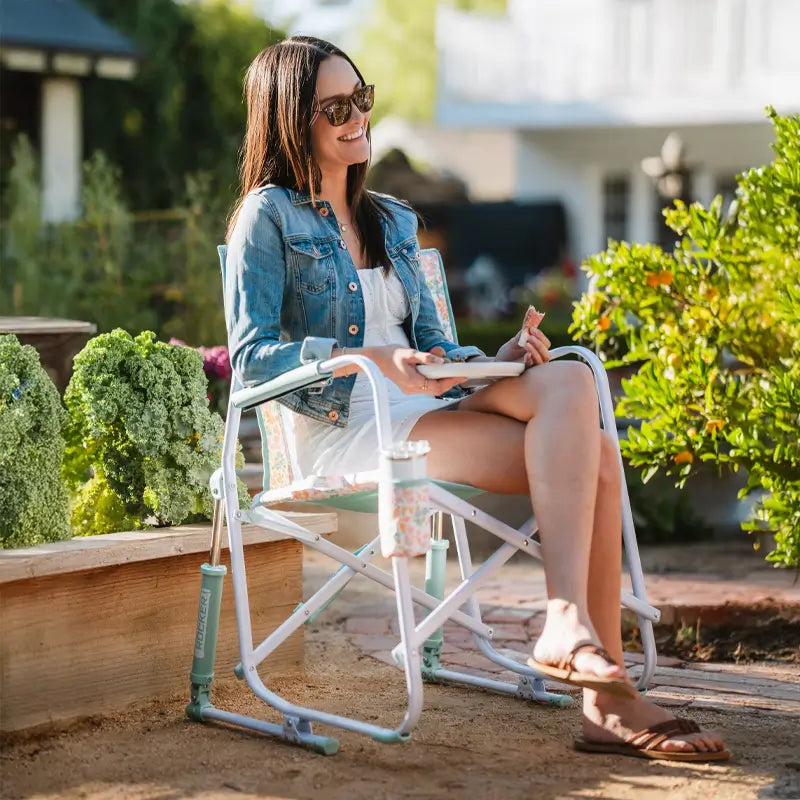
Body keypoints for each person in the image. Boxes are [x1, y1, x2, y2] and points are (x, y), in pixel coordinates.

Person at [224, 35, 729, 762]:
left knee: (569, 380)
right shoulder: (265, 218)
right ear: (288, 120)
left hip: (423, 404)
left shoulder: (392, 220)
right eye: (335, 106)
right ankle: (607, 700)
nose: (356, 116)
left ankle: (569, 632)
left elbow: (436, 347)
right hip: (346, 421)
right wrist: (369, 359)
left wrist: (493, 363)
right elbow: (251, 363)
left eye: (362, 98)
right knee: (598, 463)